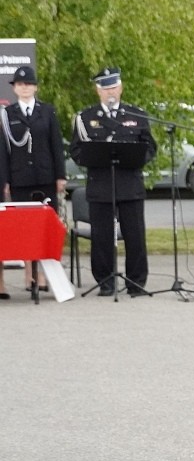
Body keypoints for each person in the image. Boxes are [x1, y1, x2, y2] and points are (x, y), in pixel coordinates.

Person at [69, 67, 156, 297]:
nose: (110, 92)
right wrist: (91, 157)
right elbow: (76, 150)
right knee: (102, 237)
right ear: (97, 91)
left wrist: (136, 159)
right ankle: (106, 282)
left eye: (114, 87)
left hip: (130, 182)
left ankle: (136, 283)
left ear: (121, 88)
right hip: (101, 183)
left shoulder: (136, 115)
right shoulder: (85, 118)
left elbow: (150, 147)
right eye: (105, 88)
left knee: (135, 235)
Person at [0, 65, 65, 294]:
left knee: (46, 227)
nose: (24, 88)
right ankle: (30, 274)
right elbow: (3, 151)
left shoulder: (47, 111)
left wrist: (60, 175)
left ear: (35, 87)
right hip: (20, 178)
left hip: (45, 176)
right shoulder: (7, 115)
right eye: (19, 84)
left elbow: (56, 145)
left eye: (28, 84)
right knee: (26, 229)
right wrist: (5, 180)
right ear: (15, 89)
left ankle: (45, 274)